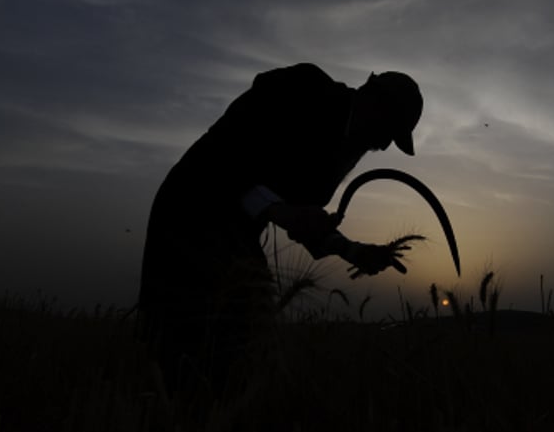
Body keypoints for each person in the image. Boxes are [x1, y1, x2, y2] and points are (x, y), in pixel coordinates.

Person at [138, 62, 423, 394]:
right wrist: (279, 210)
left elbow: (305, 226)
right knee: (185, 342)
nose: (385, 145)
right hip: (189, 210)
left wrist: (352, 250)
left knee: (236, 355)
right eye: (388, 130)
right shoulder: (305, 87)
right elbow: (227, 155)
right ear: (372, 98)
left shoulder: (329, 170)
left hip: (238, 236)